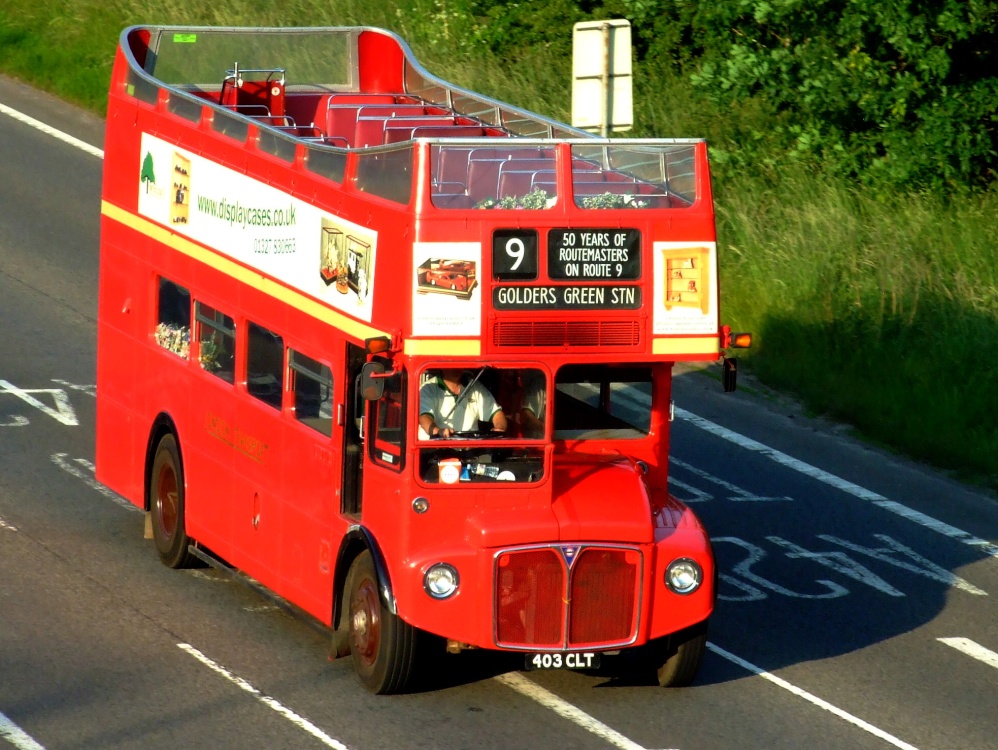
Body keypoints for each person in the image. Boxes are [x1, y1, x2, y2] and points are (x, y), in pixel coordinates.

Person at [419, 368, 508, 438]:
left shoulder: (475, 386)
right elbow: (424, 418)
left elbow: (497, 414)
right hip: (434, 449)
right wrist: (439, 432)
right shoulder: (428, 388)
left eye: (460, 362)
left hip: (469, 451)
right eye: (452, 362)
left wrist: (499, 428)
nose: (457, 367)